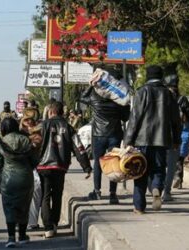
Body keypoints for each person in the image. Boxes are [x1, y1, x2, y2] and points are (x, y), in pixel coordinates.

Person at [124, 65, 181, 214]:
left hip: (142, 141)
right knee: (159, 169)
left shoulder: (141, 92)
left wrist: (128, 140)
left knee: (140, 171)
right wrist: (176, 139)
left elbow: (134, 118)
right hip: (161, 140)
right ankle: (156, 187)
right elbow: (176, 120)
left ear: (148, 77)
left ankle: (139, 206)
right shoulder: (169, 94)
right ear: (161, 77)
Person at [37, 101, 92, 238]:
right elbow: (79, 148)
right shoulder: (68, 128)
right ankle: (54, 224)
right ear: (63, 113)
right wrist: (86, 166)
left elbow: (34, 145)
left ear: (50, 112)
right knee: (57, 196)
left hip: (43, 167)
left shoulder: (43, 126)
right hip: (60, 167)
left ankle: (48, 227)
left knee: (45, 196)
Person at [79, 68, 130, 204]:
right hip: (115, 134)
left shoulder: (95, 96)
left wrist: (91, 85)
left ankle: (97, 192)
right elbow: (126, 117)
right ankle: (113, 195)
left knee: (98, 163)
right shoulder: (118, 98)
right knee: (113, 163)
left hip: (98, 134)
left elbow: (82, 98)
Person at [0, 118, 38, 247]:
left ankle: (11, 237)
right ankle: (23, 235)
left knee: (9, 207)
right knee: (24, 205)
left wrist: (2, 177)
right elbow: (34, 160)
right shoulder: (25, 140)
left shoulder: (1, 142)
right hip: (26, 178)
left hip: (8, 180)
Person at [163, 66, 189, 201]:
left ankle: (177, 177)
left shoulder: (181, 100)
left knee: (179, 156)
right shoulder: (167, 99)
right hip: (172, 132)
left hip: (182, 130)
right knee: (175, 157)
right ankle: (175, 179)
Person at [20, 109, 42, 230]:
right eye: (26, 119)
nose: (28, 122)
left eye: (30, 119)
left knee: (36, 189)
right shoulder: (19, 133)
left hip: (33, 167)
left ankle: (32, 222)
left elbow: (36, 144)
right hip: (20, 167)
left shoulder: (38, 133)